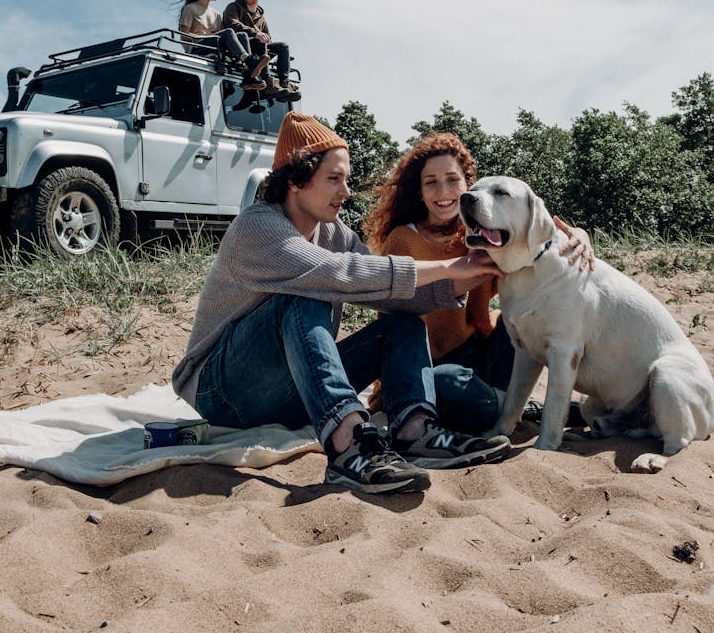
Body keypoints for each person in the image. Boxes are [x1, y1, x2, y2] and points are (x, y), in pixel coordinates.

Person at [172, 113, 512, 495]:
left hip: (293, 392)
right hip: (224, 393)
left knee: (403, 320)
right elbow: (336, 272)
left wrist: (456, 282)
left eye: (345, 179)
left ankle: (415, 430)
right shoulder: (257, 226)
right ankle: (348, 446)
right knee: (303, 295)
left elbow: (382, 287)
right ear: (296, 180)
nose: (346, 191)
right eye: (334, 179)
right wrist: (446, 267)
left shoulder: (335, 233)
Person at [363, 132, 594, 432]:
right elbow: (401, 309)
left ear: (468, 187)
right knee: (445, 383)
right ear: (419, 192)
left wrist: (579, 234)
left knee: (517, 326)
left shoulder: (484, 235)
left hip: (481, 358)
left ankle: (505, 404)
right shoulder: (404, 240)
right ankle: (523, 407)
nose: (443, 191)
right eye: (431, 182)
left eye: (452, 180)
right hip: (427, 369)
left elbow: (534, 246)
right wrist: (454, 273)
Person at [177, 0, 269, 90]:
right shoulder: (190, 9)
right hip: (196, 47)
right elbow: (184, 37)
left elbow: (222, 37)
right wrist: (205, 37)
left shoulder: (215, 13)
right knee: (229, 31)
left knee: (242, 35)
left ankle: (248, 74)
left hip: (215, 47)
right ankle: (249, 61)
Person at [223, 0, 301, 102]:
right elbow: (231, 23)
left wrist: (266, 46)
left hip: (259, 48)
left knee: (283, 46)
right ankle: (268, 81)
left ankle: (284, 83)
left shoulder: (261, 17)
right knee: (260, 41)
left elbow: (267, 38)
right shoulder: (234, 7)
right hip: (241, 45)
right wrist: (256, 33)